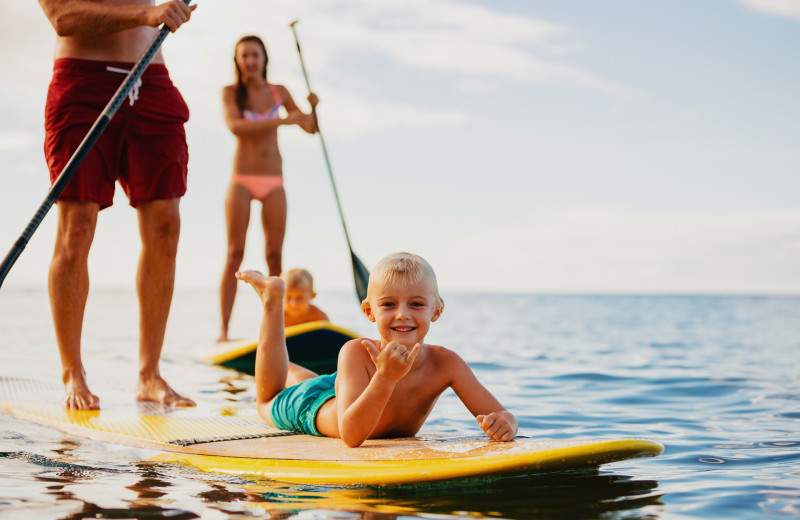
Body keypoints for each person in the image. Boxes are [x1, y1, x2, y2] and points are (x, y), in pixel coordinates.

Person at [38, 0, 197, 410]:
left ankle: (150, 374)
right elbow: (62, 18)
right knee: (77, 227)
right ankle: (73, 372)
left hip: (151, 75)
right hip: (83, 81)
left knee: (166, 227)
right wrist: (146, 15)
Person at [236, 252, 518, 448]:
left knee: (313, 380)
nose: (402, 315)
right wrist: (384, 378)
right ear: (370, 311)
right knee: (266, 399)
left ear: (437, 309)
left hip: (343, 391)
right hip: (311, 408)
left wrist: (506, 424)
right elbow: (351, 436)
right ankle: (273, 299)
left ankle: (295, 369)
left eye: (416, 304)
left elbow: (502, 414)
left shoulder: (447, 363)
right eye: (389, 305)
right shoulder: (356, 353)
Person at [218, 35, 319, 343]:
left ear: (264, 58)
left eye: (255, 55)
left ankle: (276, 331)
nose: (250, 60)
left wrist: (313, 109)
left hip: (274, 180)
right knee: (235, 253)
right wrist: (283, 121)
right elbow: (237, 127)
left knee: (275, 257)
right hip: (242, 180)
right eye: (244, 55)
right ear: (237, 61)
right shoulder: (231, 93)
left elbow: (309, 127)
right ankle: (224, 332)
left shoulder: (279, 92)